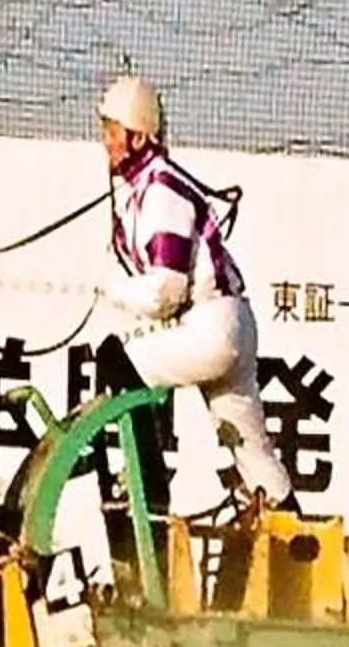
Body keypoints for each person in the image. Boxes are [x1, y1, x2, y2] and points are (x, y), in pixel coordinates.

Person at [96, 70, 293, 527]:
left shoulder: (160, 190)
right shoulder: (150, 186)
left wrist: (114, 289)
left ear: (138, 136)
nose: (106, 142)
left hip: (211, 329)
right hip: (228, 324)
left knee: (117, 363)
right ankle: (307, 565)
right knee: (256, 460)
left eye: (112, 132)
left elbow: (167, 290)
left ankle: (147, 496)